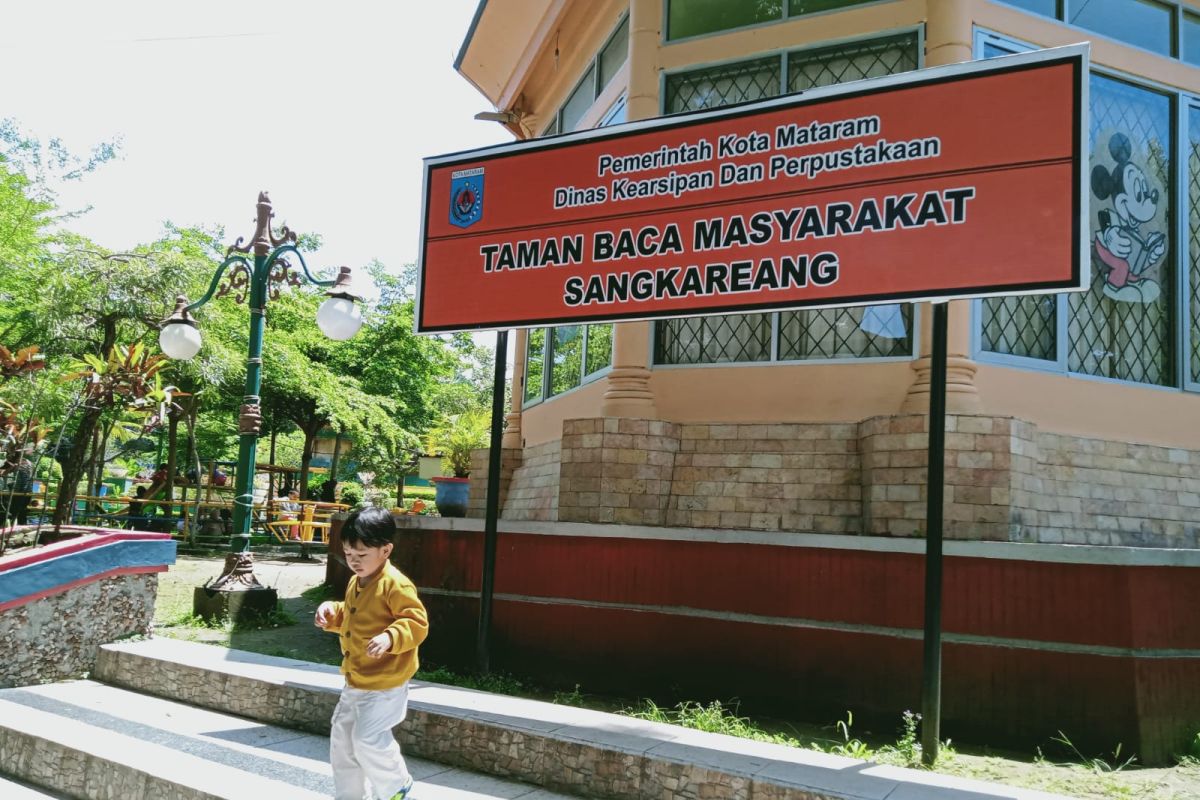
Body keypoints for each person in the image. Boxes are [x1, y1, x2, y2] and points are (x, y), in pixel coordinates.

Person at [314, 507, 427, 800]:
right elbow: (355, 616)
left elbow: (416, 622)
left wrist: (391, 637)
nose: (353, 560)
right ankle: (350, 795)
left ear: (385, 550)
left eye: (362, 554)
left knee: (367, 740)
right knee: (342, 742)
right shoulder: (356, 581)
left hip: (386, 684)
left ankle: (397, 788)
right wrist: (332, 612)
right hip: (356, 680)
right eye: (349, 553)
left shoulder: (395, 583)